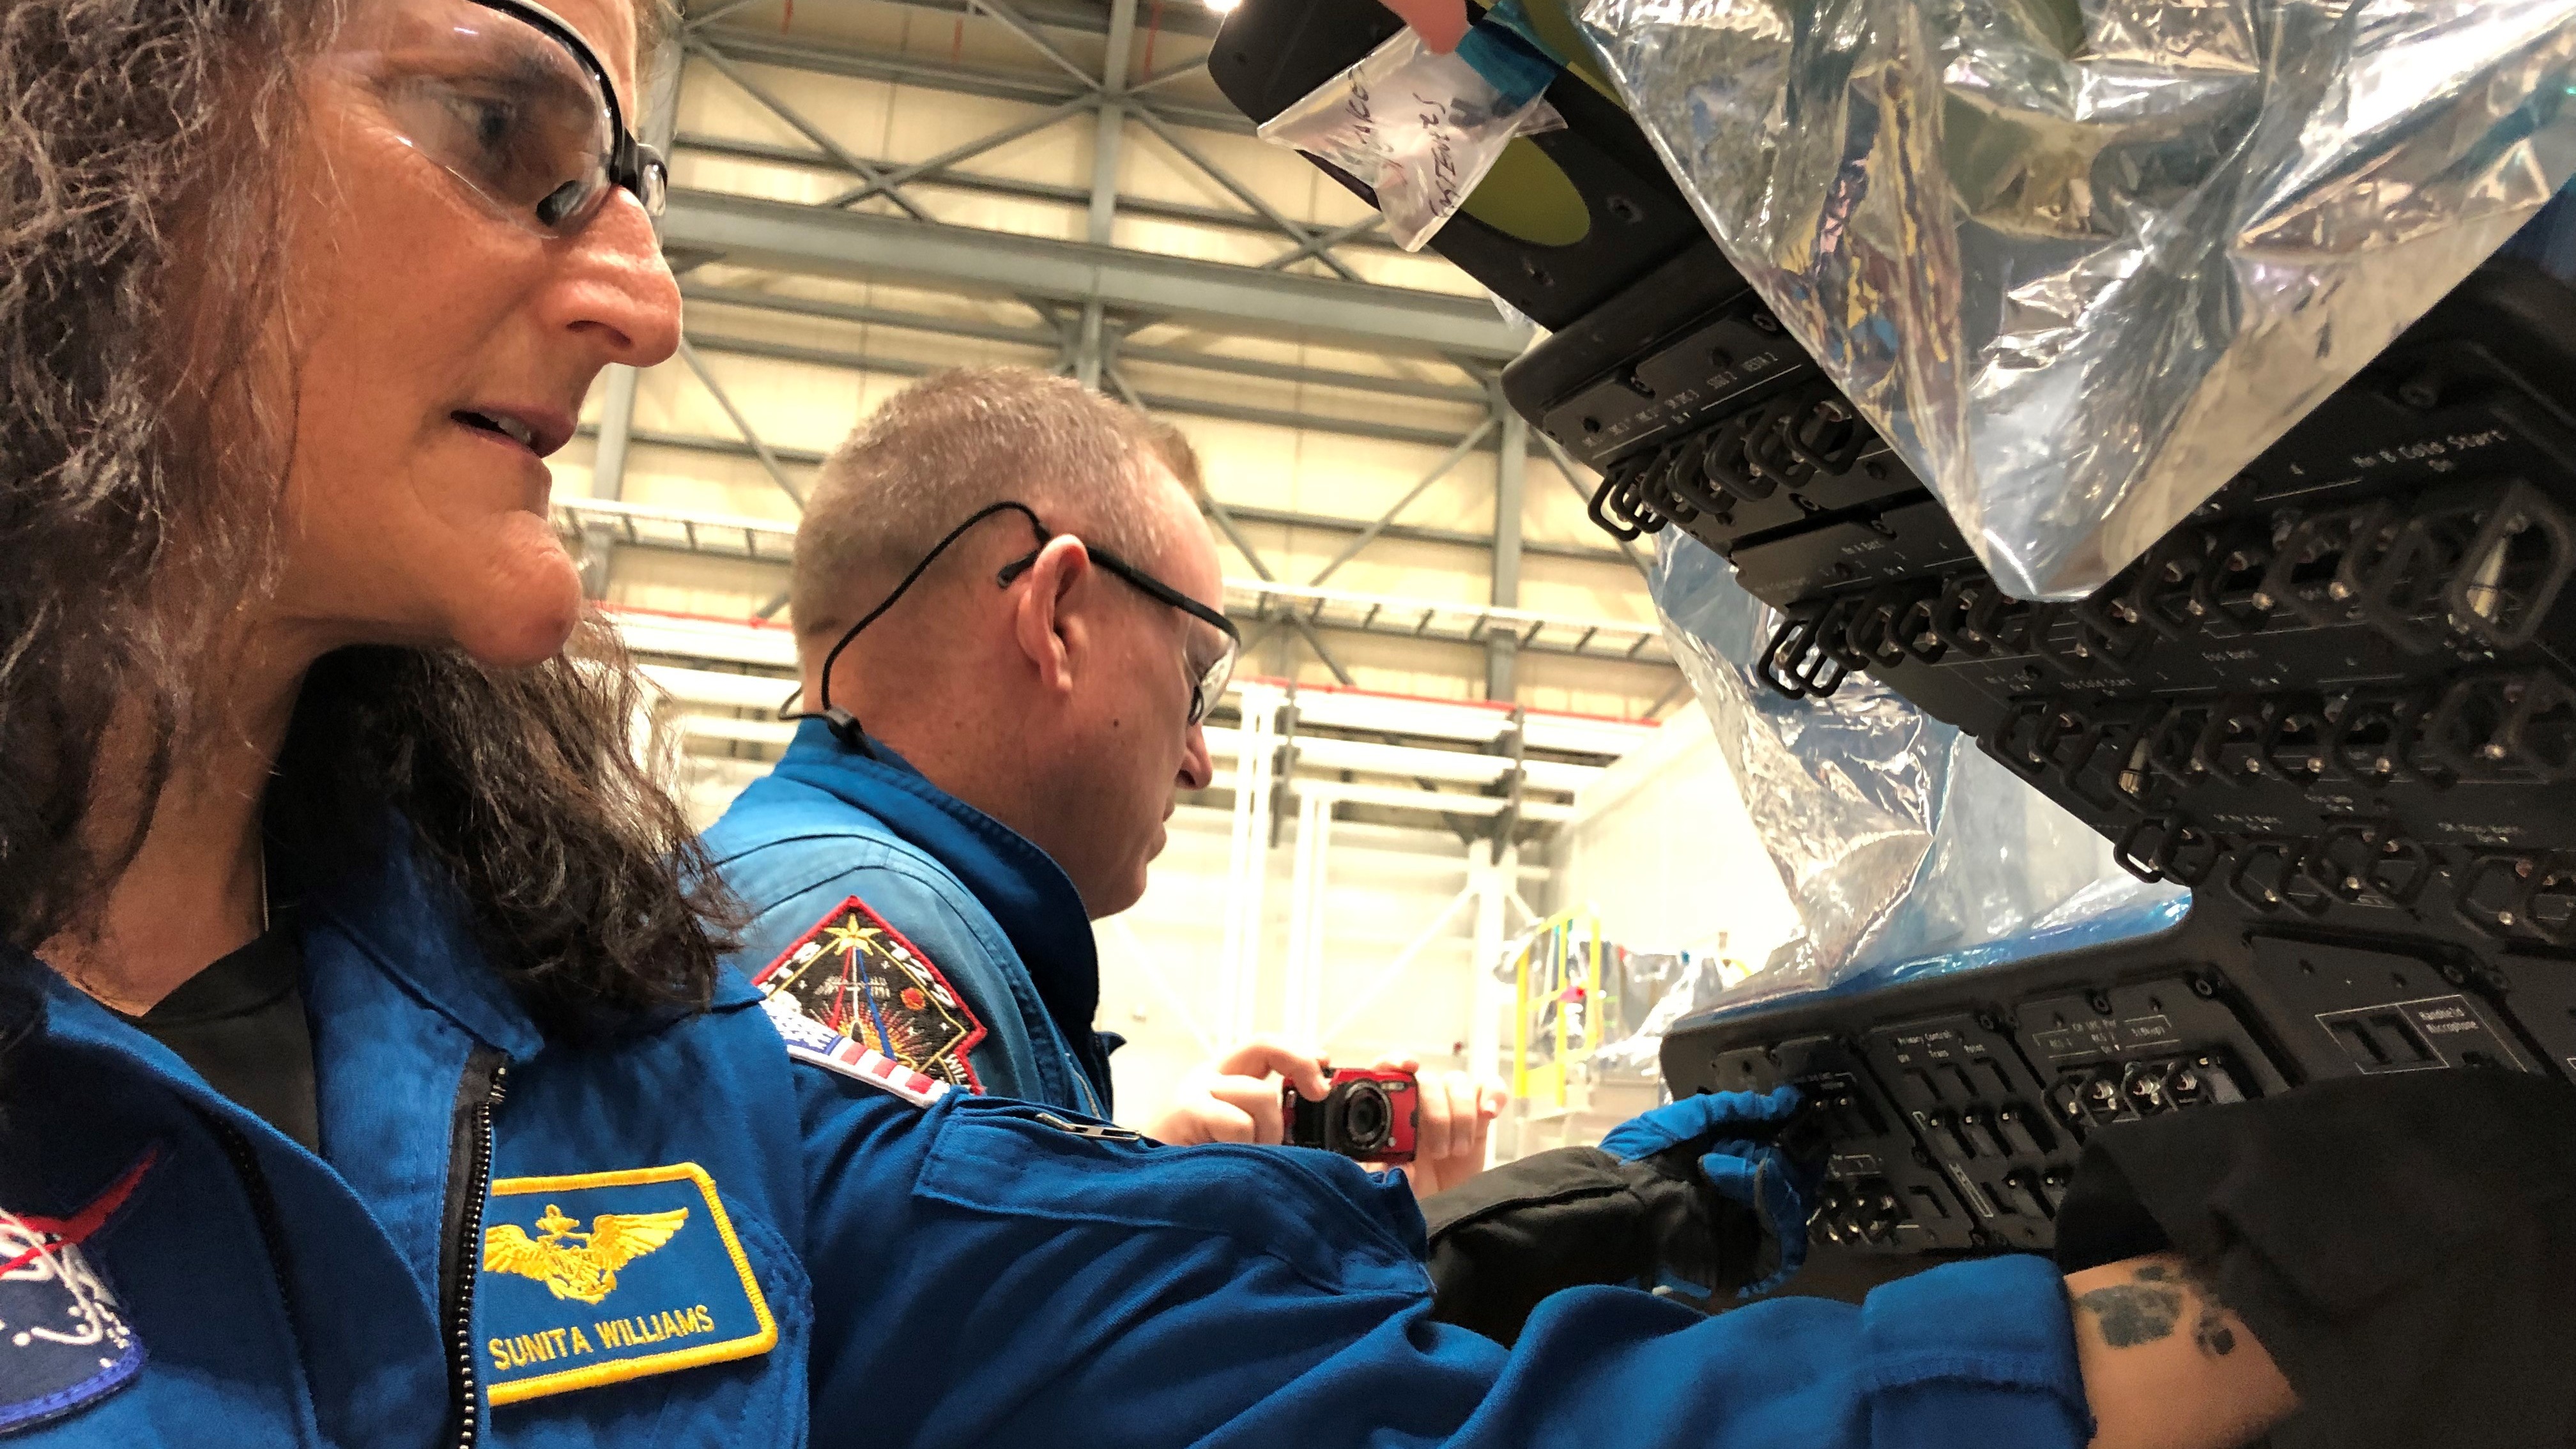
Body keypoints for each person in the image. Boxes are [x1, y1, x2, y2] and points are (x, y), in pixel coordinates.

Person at [2, 2, 2570, 1447]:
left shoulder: (622, 1063)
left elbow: (1289, 1387)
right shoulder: (828, 961)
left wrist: (2234, 1332)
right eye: (511, 142)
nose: (643, 297)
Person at [700, 369, 1503, 1188]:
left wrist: (1134, 1179)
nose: (1199, 762)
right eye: (1195, 679)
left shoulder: (796, 895)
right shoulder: (864, 942)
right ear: (1056, 617)